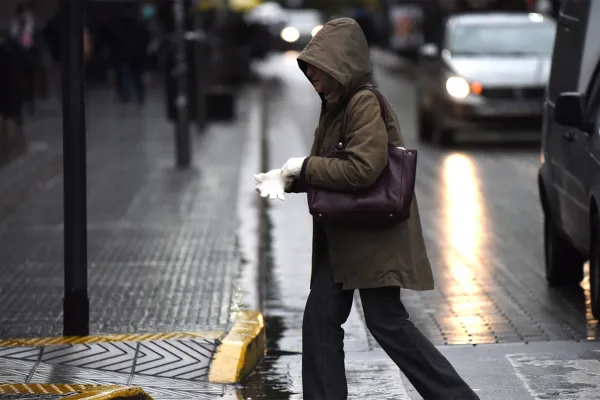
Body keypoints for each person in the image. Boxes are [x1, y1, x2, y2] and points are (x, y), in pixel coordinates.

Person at [254, 18, 480, 400]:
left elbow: (362, 168)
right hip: (347, 236)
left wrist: (303, 168)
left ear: (341, 66)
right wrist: (290, 177)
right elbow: (332, 167)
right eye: (310, 72)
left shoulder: (362, 102)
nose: (314, 80)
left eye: (320, 71)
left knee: (386, 322)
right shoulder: (336, 104)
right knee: (322, 321)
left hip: (373, 236)